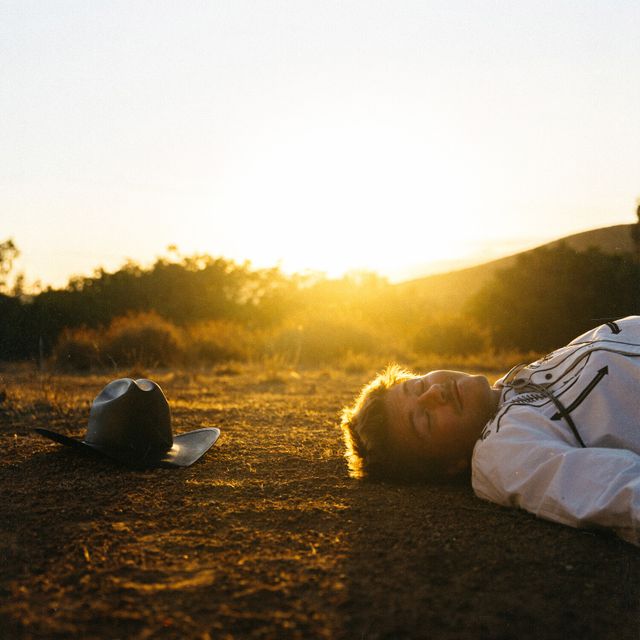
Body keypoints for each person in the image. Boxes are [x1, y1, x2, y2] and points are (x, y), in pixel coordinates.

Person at [340, 316, 640, 546]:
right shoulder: (501, 450)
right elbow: (619, 493)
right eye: (425, 419)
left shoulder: (518, 381)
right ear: (450, 465)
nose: (434, 392)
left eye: (418, 385)